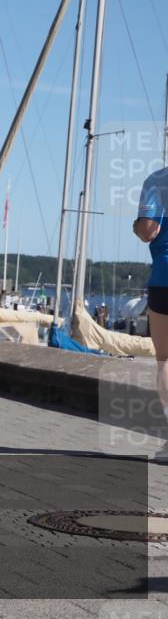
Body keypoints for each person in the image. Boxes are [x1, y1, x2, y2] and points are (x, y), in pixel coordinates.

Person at [134, 166, 168, 457]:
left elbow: (147, 229)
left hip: (164, 279)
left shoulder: (157, 181)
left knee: (166, 359)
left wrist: (138, 226)